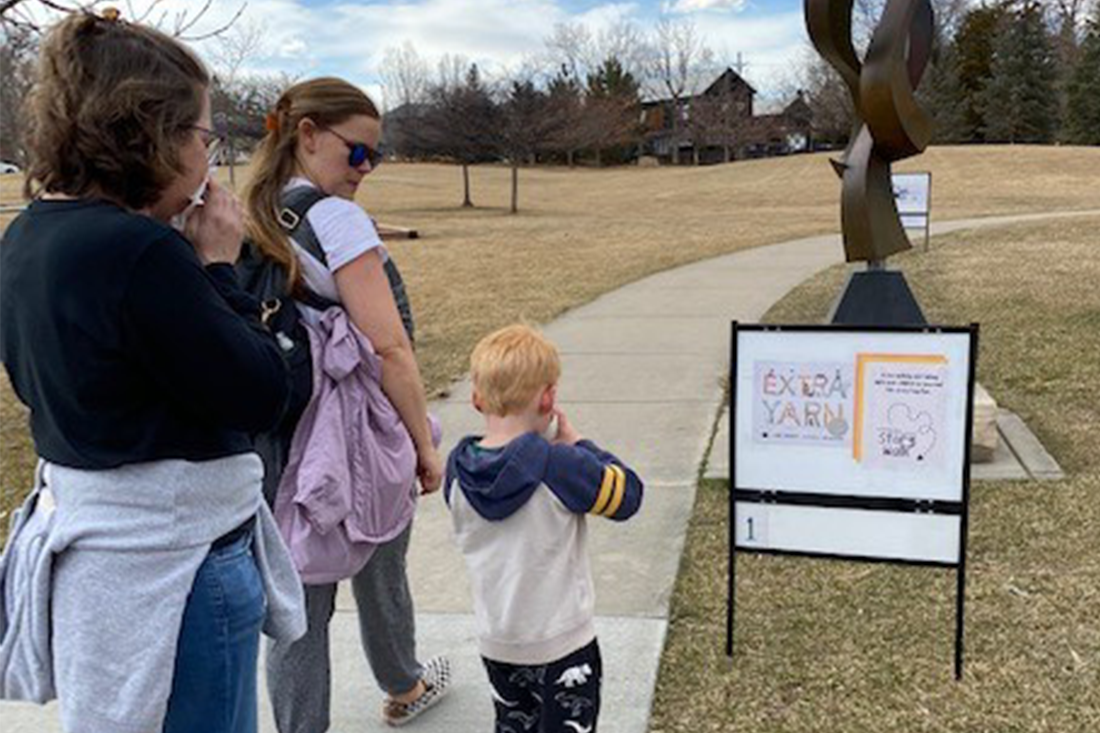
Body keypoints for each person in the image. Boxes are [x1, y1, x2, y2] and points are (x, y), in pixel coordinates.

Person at [0, 11, 305, 733]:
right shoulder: (142, 253)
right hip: (178, 568)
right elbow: (264, 393)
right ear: (152, 133)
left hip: (93, 558)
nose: (209, 157)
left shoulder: (29, 235)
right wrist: (224, 269)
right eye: (204, 137)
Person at [243, 77, 451, 730]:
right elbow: (389, 347)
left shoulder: (252, 208)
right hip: (355, 435)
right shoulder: (338, 219)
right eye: (357, 152)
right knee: (382, 560)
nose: (367, 168)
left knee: (298, 598)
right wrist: (422, 442)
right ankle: (404, 683)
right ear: (307, 135)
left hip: (279, 435)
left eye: (376, 156)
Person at [444, 324, 644, 733]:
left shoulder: (457, 469)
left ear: (477, 398)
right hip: (562, 645)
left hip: (497, 641)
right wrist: (579, 444)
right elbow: (628, 496)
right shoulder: (560, 467)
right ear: (549, 398)